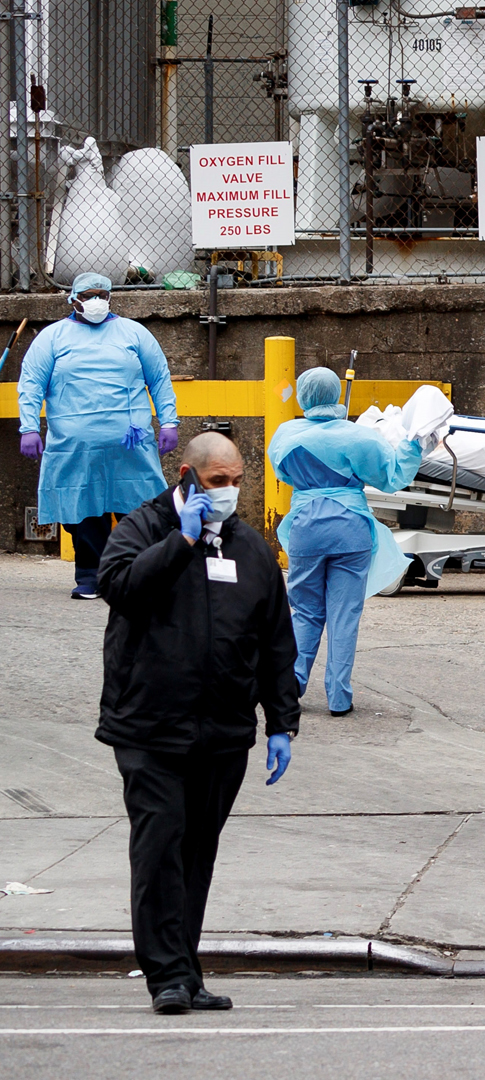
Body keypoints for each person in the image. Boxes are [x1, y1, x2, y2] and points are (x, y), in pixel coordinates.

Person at [96, 431, 298, 1015]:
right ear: (187, 476)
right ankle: (167, 976)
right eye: (218, 483)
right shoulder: (141, 528)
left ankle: (186, 969)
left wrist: (281, 720)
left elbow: (274, 639)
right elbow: (122, 587)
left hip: (223, 730)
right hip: (150, 726)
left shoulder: (250, 549)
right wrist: (182, 540)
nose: (230, 492)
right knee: (160, 847)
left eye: (238, 482)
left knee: (196, 853)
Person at [267, 366, 427, 717]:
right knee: (344, 615)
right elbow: (392, 477)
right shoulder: (360, 437)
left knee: (306, 611)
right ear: (336, 395)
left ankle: (292, 682)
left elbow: (281, 472)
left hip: (305, 525)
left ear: (304, 396)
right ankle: (339, 697)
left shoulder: (285, 435)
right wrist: (414, 445)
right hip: (350, 527)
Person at [15, 272, 180, 599]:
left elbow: (159, 379)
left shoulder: (134, 333)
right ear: (73, 298)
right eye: (89, 295)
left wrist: (170, 421)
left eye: (102, 294)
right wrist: (29, 427)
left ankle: (139, 572)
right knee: (83, 511)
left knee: (140, 509)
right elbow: (31, 384)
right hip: (75, 446)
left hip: (130, 444)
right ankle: (92, 575)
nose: (96, 301)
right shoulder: (52, 338)